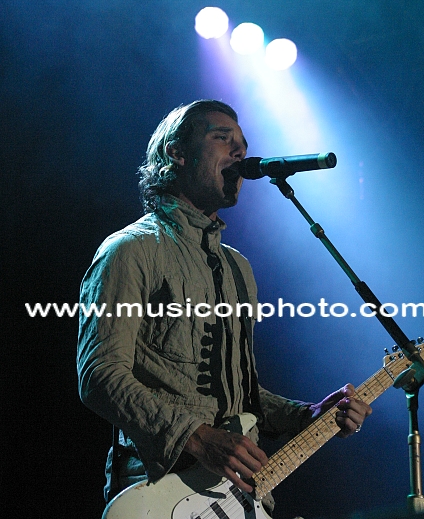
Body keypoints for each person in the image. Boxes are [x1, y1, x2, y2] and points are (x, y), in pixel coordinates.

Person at [77, 99, 371, 514]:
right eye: (222, 138)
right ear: (177, 154)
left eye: (244, 145)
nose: (240, 152)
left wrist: (307, 415)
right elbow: (100, 374)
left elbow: (241, 397)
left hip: (240, 495)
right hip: (160, 491)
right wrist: (198, 438)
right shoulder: (131, 250)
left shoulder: (238, 268)